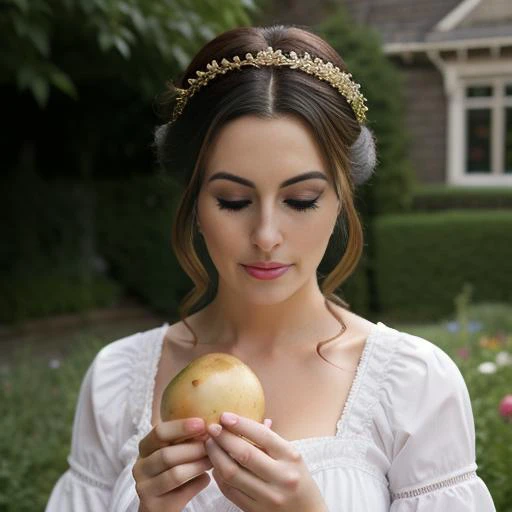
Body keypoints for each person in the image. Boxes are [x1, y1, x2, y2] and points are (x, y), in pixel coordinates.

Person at [45, 24, 496, 512]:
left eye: (300, 200)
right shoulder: (117, 379)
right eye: (233, 200)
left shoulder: (415, 385)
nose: (265, 235)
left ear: (341, 202)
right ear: (195, 202)